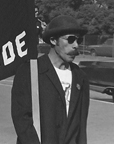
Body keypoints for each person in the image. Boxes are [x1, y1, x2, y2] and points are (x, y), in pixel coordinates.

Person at [11, 15, 90, 144]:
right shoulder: (30, 71)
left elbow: (81, 125)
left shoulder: (80, 77)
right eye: (70, 39)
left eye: (78, 40)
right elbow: (22, 121)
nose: (76, 45)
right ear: (53, 40)